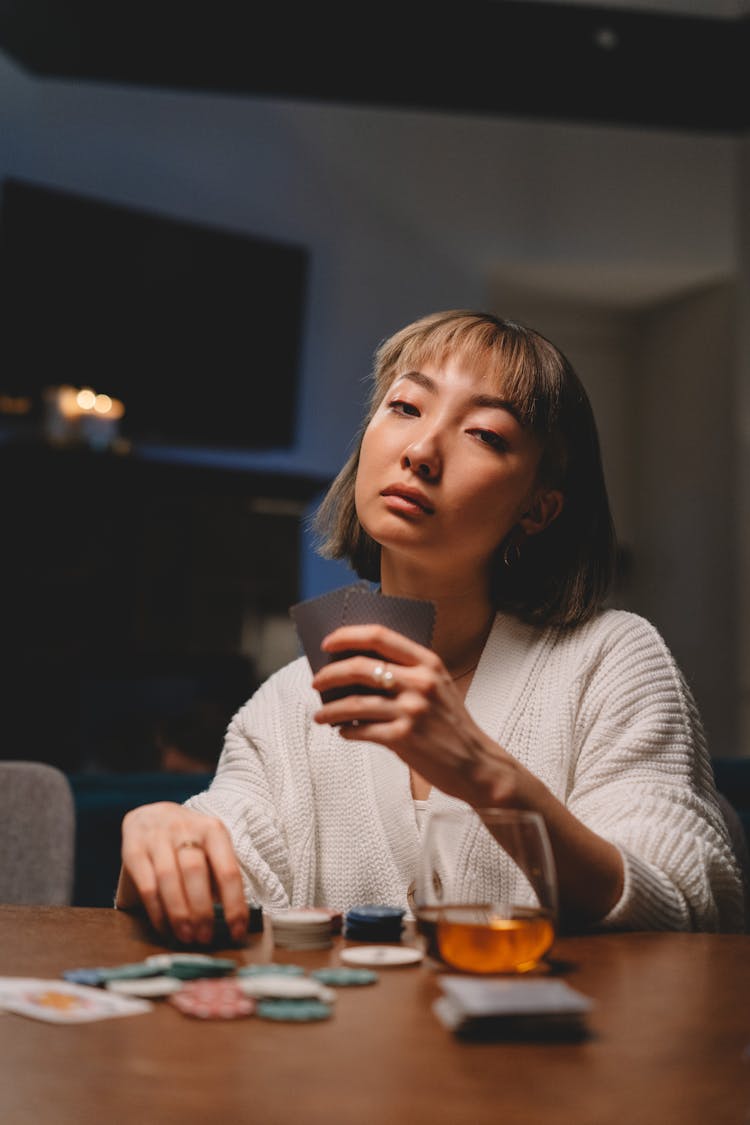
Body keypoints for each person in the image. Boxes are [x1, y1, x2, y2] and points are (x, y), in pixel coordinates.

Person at [116, 309, 745, 945]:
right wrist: (163, 840)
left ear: (538, 508)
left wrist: (483, 772)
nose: (420, 451)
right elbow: (225, 887)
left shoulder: (612, 659)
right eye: (406, 407)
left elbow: (688, 905)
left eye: (486, 434)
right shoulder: (286, 704)